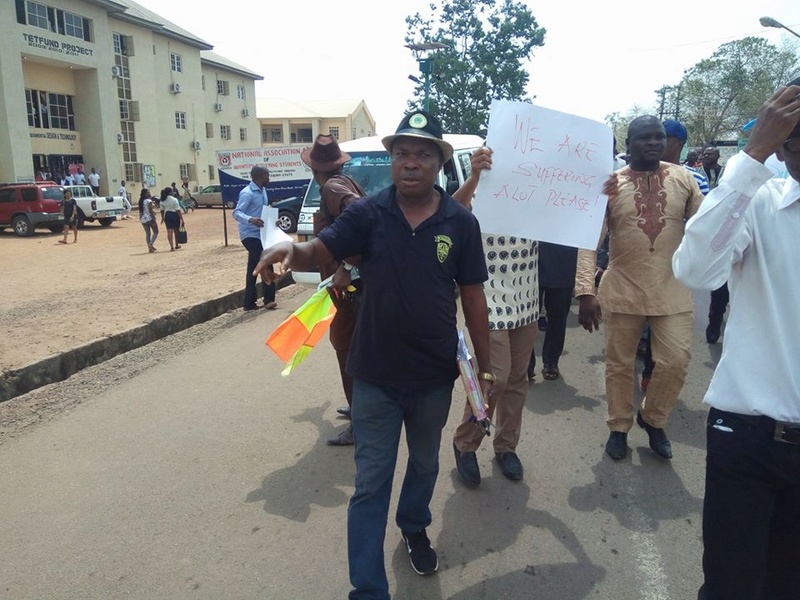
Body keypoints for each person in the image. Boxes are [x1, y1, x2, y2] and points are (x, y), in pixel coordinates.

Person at [253, 109, 492, 599]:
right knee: (370, 483)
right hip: (375, 374)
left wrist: (484, 373)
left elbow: (473, 297)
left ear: (438, 162)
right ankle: (367, 588)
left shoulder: (460, 222)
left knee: (424, 465)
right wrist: (289, 253)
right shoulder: (369, 213)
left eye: (422, 154)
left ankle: (413, 524)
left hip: (432, 375)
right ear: (391, 160)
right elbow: (320, 249)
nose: (410, 163)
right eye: (401, 153)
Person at [673, 78, 800, 600]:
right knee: (731, 585)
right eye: (792, 141)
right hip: (747, 438)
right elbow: (696, 269)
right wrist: (752, 155)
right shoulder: (762, 202)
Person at [575, 115, 704, 461]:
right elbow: (589, 240)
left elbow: (705, 226)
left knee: (675, 361)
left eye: (659, 137)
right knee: (619, 364)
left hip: (672, 289)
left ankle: (653, 418)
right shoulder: (611, 184)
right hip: (623, 289)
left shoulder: (683, 178)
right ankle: (618, 427)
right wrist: (586, 290)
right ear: (628, 142)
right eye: (644, 138)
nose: (653, 143)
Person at [450, 145, 539, 485]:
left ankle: (506, 447)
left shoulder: (540, 199)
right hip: (488, 297)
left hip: (527, 296)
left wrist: (595, 199)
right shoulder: (482, 190)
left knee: (518, 379)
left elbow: (579, 227)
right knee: (494, 377)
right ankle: (466, 443)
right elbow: (449, 210)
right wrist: (474, 176)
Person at [300, 134, 366, 446]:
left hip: (350, 288)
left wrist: (348, 265)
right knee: (352, 350)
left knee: (346, 350)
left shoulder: (332, 187)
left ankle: (359, 421)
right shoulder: (345, 182)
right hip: (352, 286)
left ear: (314, 168)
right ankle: (359, 410)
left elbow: (362, 218)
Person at [526, 241, 576, 381]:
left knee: (558, 315)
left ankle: (551, 361)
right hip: (531, 258)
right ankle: (526, 364)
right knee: (527, 315)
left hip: (564, 259)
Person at [233, 166, 277, 311]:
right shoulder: (247, 193)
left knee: (252, 269)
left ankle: (248, 303)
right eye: (267, 176)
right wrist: (250, 219)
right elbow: (237, 213)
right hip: (249, 235)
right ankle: (269, 299)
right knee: (266, 262)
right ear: (260, 176)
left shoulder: (263, 191)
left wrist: (271, 220)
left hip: (261, 234)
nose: (269, 179)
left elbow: (263, 211)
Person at [159, 186, 184, 251]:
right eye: (172, 191)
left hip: (167, 215)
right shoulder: (174, 199)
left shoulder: (162, 200)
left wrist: (162, 218)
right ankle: (176, 245)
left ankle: (171, 246)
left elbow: (162, 210)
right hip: (175, 215)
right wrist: (182, 219)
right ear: (170, 193)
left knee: (169, 232)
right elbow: (178, 210)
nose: (173, 192)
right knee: (176, 231)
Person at [138, 188, 159, 253]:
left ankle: (150, 248)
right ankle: (151, 244)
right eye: (148, 192)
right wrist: (153, 218)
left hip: (143, 219)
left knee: (148, 234)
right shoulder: (148, 201)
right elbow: (150, 211)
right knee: (156, 232)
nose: (149, 193)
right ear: (146, 193)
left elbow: (142, 211)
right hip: (149, 218)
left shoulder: (141, 201)